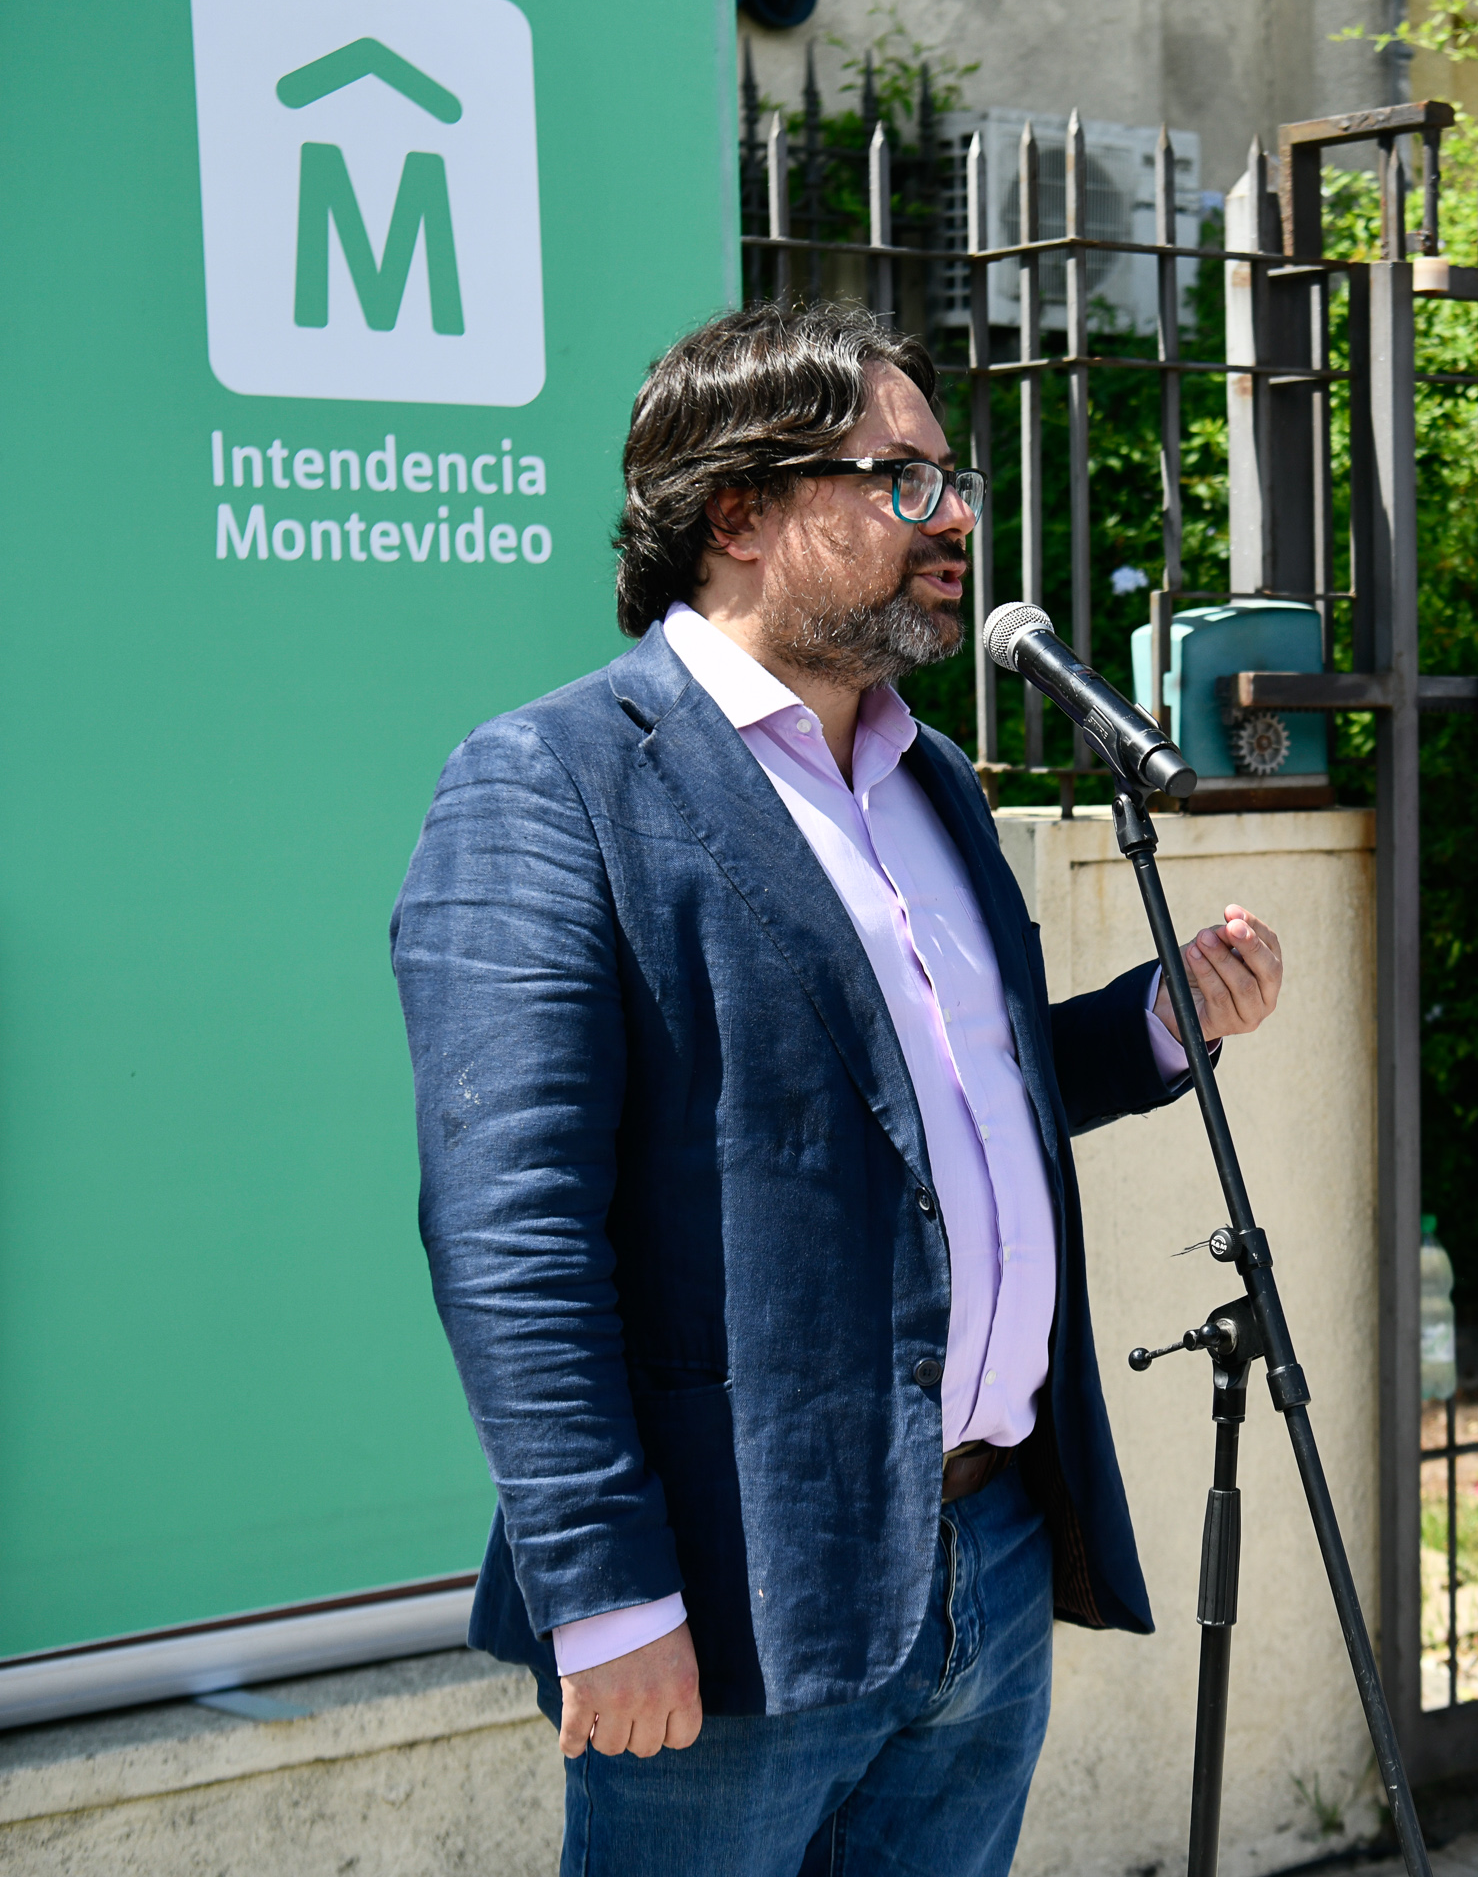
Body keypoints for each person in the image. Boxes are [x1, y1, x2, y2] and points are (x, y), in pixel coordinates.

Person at [392, 300, 1285, 1874]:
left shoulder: (928, 773)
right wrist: (606, 1596)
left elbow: (934, 1103)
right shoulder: (553, 783)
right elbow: (509, 1236)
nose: (954, 526)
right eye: (905, 482)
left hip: (991, 1555)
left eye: (956, 485)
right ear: (737, 512)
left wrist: (1155, 1025)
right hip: (739, 1592)